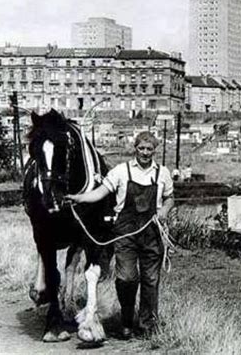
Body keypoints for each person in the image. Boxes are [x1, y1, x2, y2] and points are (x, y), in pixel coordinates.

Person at [66, 131, 174, 340]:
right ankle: (126, 321)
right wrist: (78, 198)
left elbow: (170, 198)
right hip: (125, 234)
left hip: (152, 234)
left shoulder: (163, 173)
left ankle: (146, 326)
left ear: (155, 150)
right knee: (126, 278)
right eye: (141, 148)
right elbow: (100, 193)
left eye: (149, 149)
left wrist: (164, 210)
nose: (144, 153)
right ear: (135, 149)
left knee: (151, 280)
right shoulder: (120, 171)